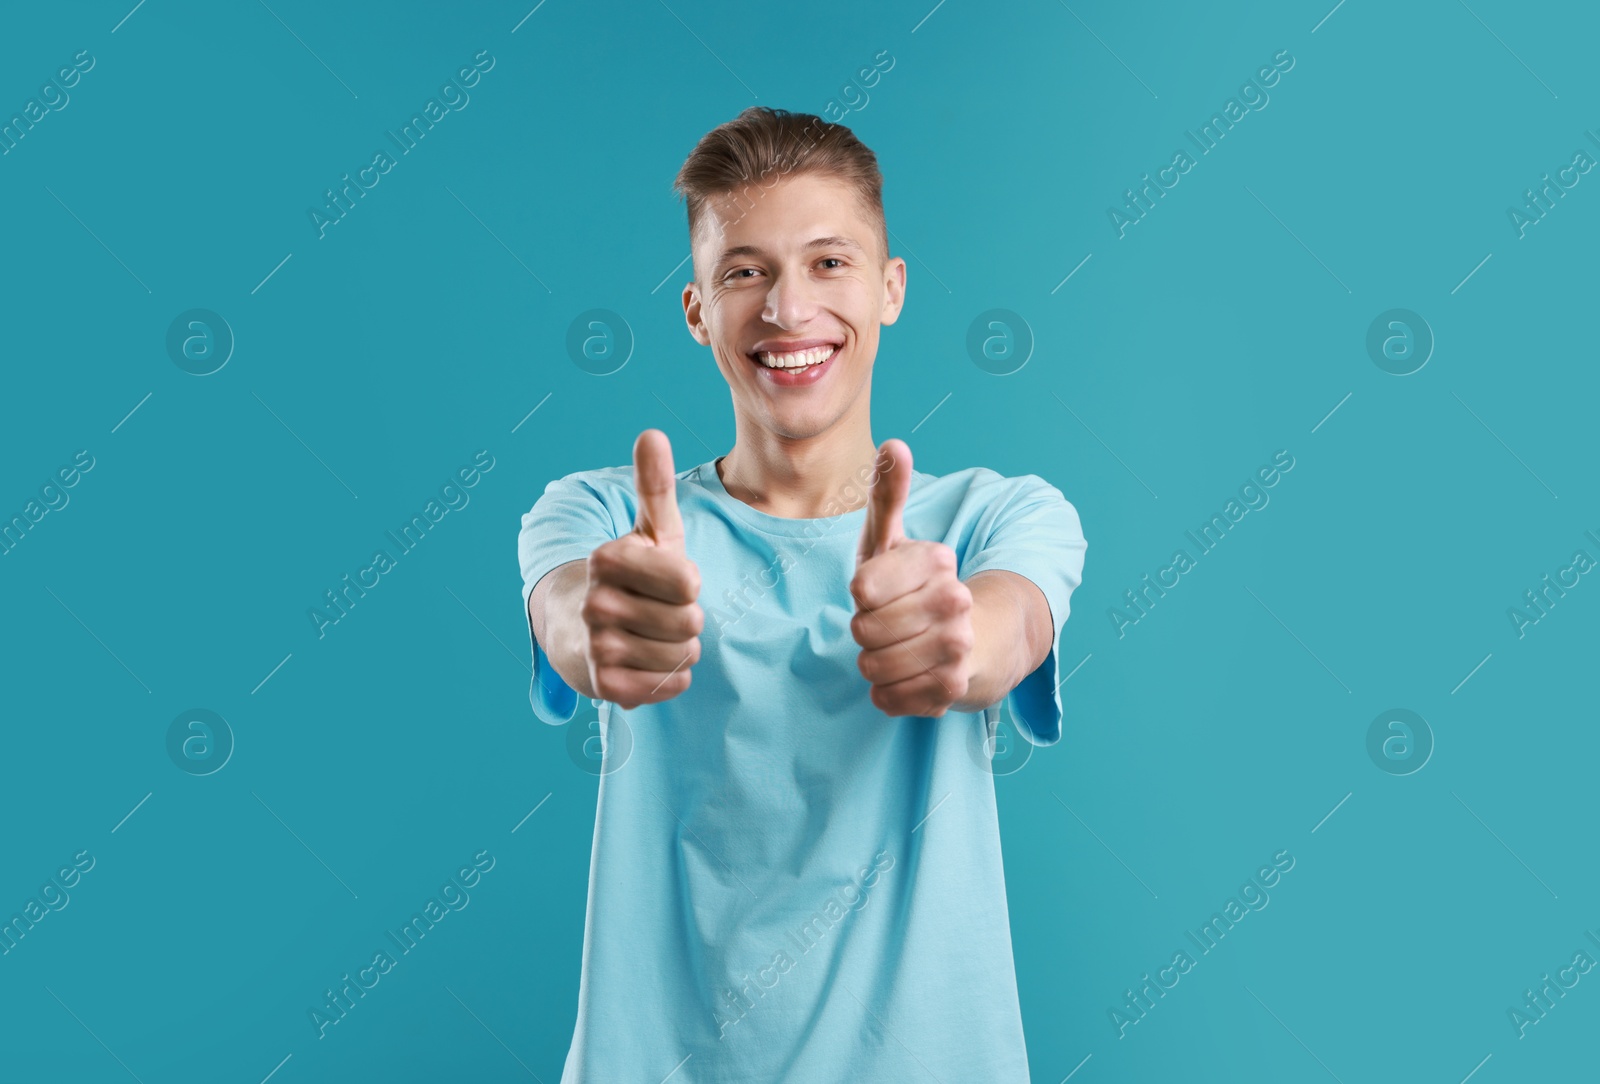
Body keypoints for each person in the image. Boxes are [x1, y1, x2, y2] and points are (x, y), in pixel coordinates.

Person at [518, 105, 1087, 1082]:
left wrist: (956, 640)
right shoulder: (601, 514)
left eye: (829, 262)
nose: (787, 309)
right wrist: (598, 623)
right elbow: (572, 609)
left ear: (890, 288)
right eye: (744, 271)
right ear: (697, 309)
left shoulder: (997, 519)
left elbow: (1005, 624)